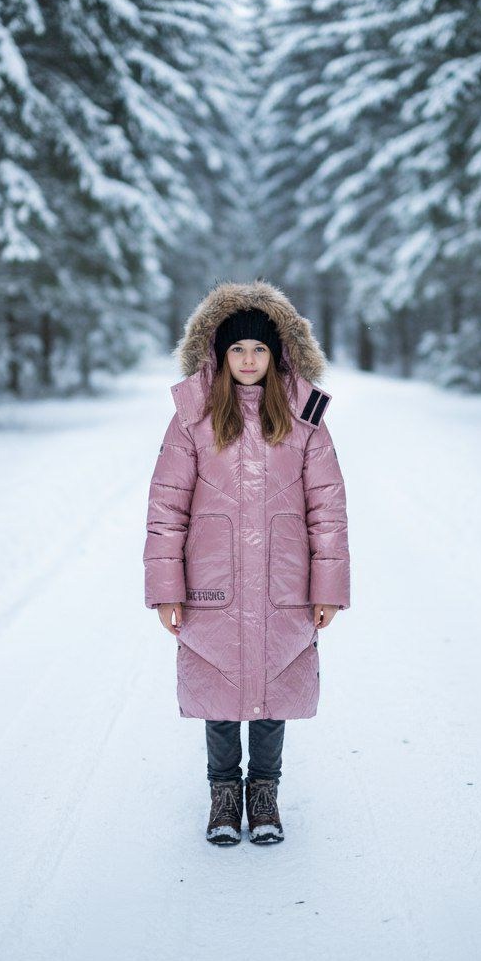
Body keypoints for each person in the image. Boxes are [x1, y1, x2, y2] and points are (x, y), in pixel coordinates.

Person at [143, 279, 351, 846]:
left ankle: (263, 793)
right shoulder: (193, 417)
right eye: (237, 348)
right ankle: (222, 794)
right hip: (213, 580)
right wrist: (167, 589)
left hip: (285, 581)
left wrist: (327, 588)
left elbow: (327, 509)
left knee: (274, 685)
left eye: (260, 348)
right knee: (218, 685)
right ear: (218, 353)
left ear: (278, 352)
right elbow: (166, 508)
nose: (249, 359)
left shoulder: (305, 417)